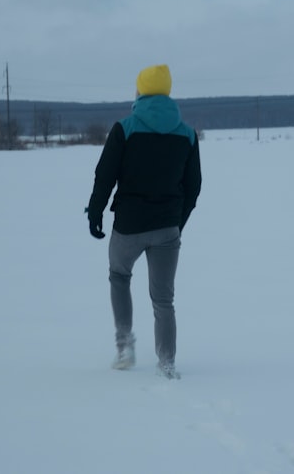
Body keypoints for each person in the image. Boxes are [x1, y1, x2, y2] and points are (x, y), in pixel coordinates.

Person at [87, 64, 202, 380]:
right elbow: (193, 188)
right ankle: (167, 363)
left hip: (129, 227)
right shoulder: (188, 134)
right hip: (167, 229)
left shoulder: (124, 129)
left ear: (139, 92)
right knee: (164, 300)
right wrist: (177, 223)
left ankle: (124, 348)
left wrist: (95, 212)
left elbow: (105, 175)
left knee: (119, 276)